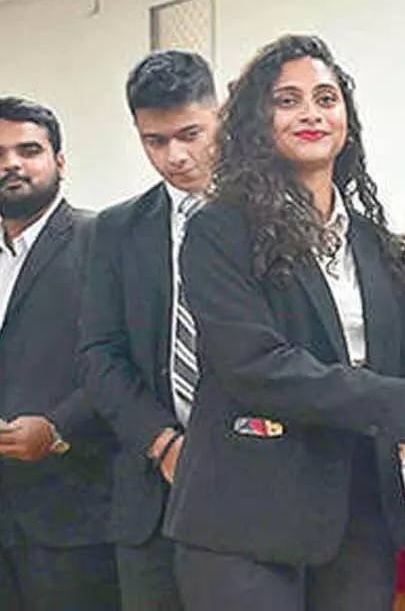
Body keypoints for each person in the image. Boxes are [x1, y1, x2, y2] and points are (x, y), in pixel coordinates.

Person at [165, 34, 405, 610]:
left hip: (359, 519)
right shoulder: (219, 230)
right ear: (257, 122)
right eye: (288, 101)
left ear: (346, 122)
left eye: (326, 99)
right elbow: (256, 368)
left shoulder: (375, 244)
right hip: (244, 522)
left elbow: (403, 371)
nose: (311, 113)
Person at [79, 49, 220, 611]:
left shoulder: (265, 212)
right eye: (154, 141)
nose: (175, 156)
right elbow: (99, 356)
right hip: (150, 494)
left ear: (220, 115)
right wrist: (163, 443)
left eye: (190, 134)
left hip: (256, 486)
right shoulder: (116, 230)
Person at [0, 98, 118, 609]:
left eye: (29, 150)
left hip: (75, 511)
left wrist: (58, 428)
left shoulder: (103, 240)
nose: (12, 164)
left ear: (60, 162)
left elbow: (126, 360)